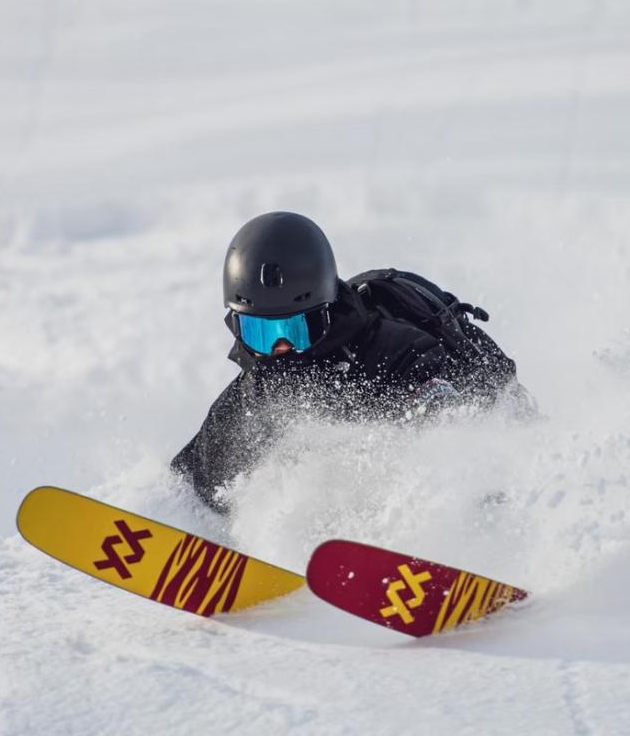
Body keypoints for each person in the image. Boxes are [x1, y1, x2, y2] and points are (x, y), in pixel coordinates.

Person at [171, 211, 526, 512]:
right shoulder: (257, 392)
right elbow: (190, 485)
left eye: (297, 329)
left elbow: (458, 446)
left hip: (488, 485)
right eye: (260, 333)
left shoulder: (397, 353)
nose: (281, 348)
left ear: (326, 312)